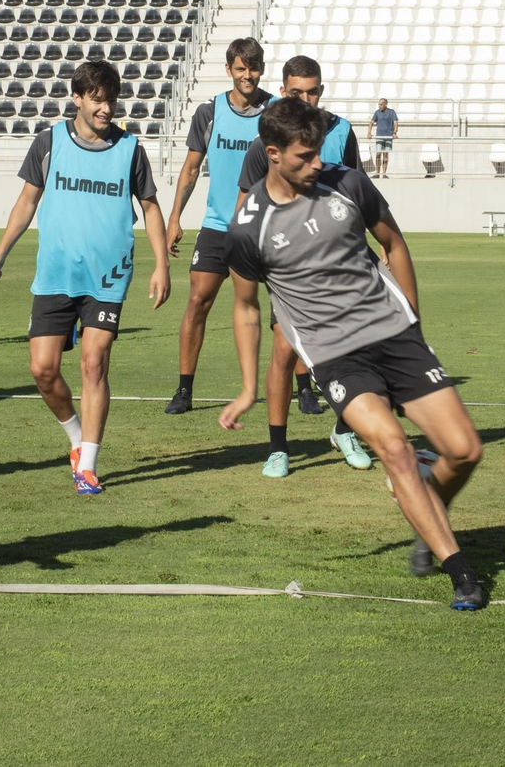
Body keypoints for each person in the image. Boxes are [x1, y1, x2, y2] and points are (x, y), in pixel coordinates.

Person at [226, 98, 487, 611]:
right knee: (392, 448)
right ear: (273, 154)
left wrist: (414, 323)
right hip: (334, 354)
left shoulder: (348, 183)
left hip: (395, 335)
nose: (317, 163)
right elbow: (245, 308)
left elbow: (395, 245)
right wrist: (248, 387)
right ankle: (461, 573)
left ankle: (426, 506)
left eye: (318, 151)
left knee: (465, 450)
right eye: (304, 156)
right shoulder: (246, 227)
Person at [0, 61, 170, 494]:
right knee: (43, 370)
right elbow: (27, 202)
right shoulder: (49, 142)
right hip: (55, 273)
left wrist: (161, 265)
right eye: (98, 100)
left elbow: (151, 208)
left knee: (93, 363)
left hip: (109, 274)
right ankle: (75, 439)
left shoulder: (129, 148)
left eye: (111, 101)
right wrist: (0, 252)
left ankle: (88, 463)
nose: (106, 109)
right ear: (78, 98)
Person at [221, 54, 373, 477]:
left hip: (342, 261)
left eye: (313, 91)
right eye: (297, 92)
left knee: (355, 349)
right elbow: (245, 210)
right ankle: (278, 448)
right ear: (283, 91)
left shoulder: (342, 131)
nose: (306, 98)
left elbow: (355, 195)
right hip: (289, 263)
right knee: (285, 350)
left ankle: (345, 429)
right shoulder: (263, 144)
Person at [160, 38, 272, 418]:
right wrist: (175, 217)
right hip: (216, 227)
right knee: (196, 304)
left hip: (263, 229)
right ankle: (184, 389)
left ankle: (303, 388)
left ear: (261, 69)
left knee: (283, 308)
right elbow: (191, 169)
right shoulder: (209, 112)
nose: (247, 75)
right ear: (229, 70)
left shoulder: (274, 113)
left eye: (253, 68)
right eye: (240, 68)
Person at [366, 97, 398, 179]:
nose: (379, 106)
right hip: (379, 136)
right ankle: (377, 173)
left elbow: (395, 123)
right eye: (379, 104)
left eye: (381, 104)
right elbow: (371, 123)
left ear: (385, 104)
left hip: (388, 136)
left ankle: (384, 174)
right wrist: (369, 133)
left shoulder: (392, 112)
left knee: (386, 155)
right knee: (378, 154)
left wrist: (394, 133)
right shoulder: (377, 113)